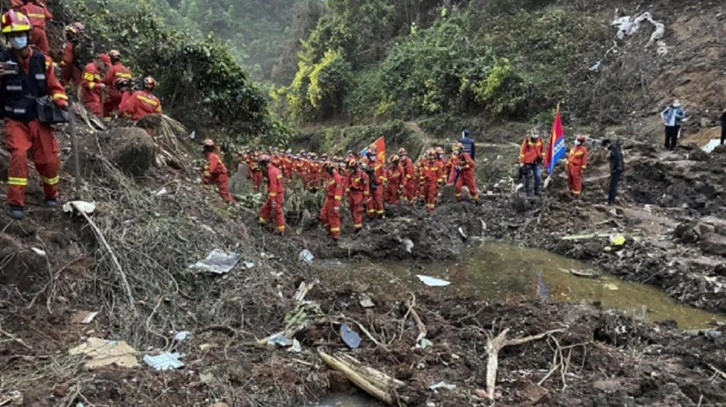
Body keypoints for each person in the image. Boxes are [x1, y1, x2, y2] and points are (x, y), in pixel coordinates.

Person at [0, 10, 68, 220]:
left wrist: (60, 100)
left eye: (20, 34)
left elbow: (55, 87)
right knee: (19, 156)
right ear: (8, 39)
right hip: (15, 119)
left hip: (40, 119)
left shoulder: (43, 60)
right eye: (12, 36)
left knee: (49, 160)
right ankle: (15, 203)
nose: (17, 39)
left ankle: (51, 194)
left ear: (28, 35)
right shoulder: (2, 61)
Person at [258, 154, 286, 235]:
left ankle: (281, 230)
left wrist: (273, 200)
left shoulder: (272, 172)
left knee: (277, 211)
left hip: (276, 195)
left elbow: (273, 187)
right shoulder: (275, 170)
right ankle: (262, 221)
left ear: (264, 164)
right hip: (275, 194)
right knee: (265, 208)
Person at [201, 139, 233, 203]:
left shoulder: (212, 157)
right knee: (204, 182)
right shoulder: (211, 156)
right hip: (216, 174)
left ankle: (230, 204)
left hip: (221, 175)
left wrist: (205, 174)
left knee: (223, 191)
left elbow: (211, 169)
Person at [102, 49, 132, 118]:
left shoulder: (113, 68)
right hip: (124, 96)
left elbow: (107, 80)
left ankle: (106, 125)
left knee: (106, 110)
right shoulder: (127, 70)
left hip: (114, 95)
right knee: (121, 111)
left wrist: (98, 80)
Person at [320, 162, 344, 240]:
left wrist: (336, 205)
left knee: (333, 217)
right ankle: (329, 230)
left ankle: (335, 236)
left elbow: (338, 192)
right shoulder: (331, 177)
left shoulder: (338, 178)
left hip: (334, 200)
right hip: (328, 199)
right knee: (323, 215)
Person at [81, 53, 109, 118]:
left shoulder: (98, 71)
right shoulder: (90, 68)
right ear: (100, 61)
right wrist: (99, 85)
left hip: (95, 98)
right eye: (105, 65)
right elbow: (86, 83)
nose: (105, 67)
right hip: (90, 98)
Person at [519, 128, 545, 196]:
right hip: (527, 162)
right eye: (534, 134)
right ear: (531, 134)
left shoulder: (540, 140)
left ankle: (537, 191)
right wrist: (522, 162)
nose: (536, 136)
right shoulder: (527, 141)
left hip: (536, 162)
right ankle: (527, 192)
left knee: (538, 176)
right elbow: (522, 151)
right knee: (527, 178)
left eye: (537, 134)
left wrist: (542, 158)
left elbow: (543, 150)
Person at [346, 158, 369, 234]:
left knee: (357, 211)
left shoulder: (363, 175)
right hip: (352, 194)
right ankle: (356, 225)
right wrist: (347, 196)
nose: (351, 170)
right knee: (352, 210)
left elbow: (366, 188)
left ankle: (358, 228)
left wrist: (365, 199)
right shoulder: (351, 175)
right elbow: (347, 185)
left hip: (359, 194)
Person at [59, 22, 84, 87]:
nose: (69, 34)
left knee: (64, 80)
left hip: (72, 65)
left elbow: (67, 59)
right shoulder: (79, 42)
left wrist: (62, 63)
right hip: (78, 66)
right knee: (78, 83)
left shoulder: (70, 44)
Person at [601, 139, 624, 205]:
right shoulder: (616, 147)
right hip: (618, 168)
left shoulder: (614, 148)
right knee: (613, 185)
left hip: (617, 169)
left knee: (613, 186)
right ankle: (611, 200)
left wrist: (614, 169)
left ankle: (611, 201)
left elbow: (616, 159)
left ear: (607, 144)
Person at [366, 147, 386, 219]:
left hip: (378, 185)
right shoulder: (367, 165)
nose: (372, 157)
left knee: (378, 199)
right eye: (371, 155)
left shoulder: (379, 163)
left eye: (373, 155)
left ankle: (380, 214)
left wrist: (379, 181)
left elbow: (383, 173)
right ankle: (371, 215)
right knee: (369, 200)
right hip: (369, 185)